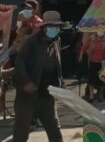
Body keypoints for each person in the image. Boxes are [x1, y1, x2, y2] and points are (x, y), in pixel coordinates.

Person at [12, 10, 65, 142]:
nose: (54, 29)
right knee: (21, 133)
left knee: (54, 131)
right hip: (29, 95)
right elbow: (19, 62)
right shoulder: (32, 42)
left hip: (47, 95)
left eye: (57, 27)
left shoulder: (56, 40)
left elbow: (56, 63)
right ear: (44, 27)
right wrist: (26, 82)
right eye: (51, 27)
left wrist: (60, 83)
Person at [79, 31, 105, 102]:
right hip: (93, 61)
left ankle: (100, 96)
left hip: (103, 62)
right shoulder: (91, 39)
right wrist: (81, 56)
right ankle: (91, 96)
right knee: (92, 79)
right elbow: (84, 47)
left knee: (103, 79)